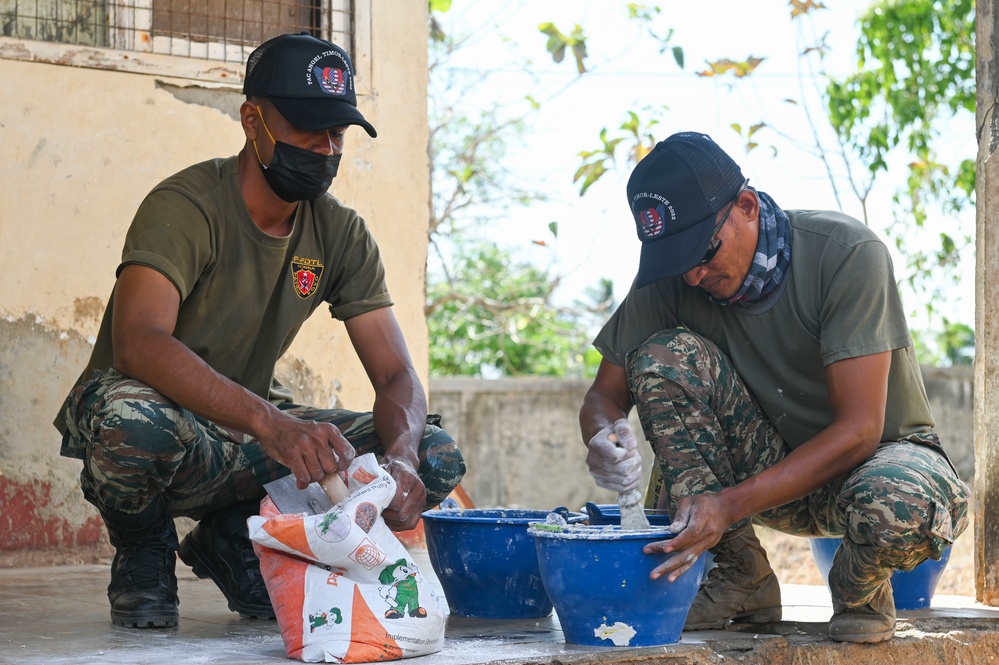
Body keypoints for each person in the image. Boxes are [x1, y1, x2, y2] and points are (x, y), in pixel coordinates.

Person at [53, 32, 465, 629]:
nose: (324, 149)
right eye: (307, 128)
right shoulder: (186, 205)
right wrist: (273, 426)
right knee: (133, 422)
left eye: (337, 134)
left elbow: (397, 373)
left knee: (433, 449)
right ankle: (143, 548)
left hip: (240, 436)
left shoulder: (341, 234)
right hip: (155, 418)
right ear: (253, 120)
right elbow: (139, 341)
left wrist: (400, 459)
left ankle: (232, 534)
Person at [580, 131, 969, 643]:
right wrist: (603, 438)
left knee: (900, 500)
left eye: (703, 251)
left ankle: (859, 589)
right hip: (757, 472)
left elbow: (860, 431)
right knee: (662, 357)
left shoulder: (847, 254)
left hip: (871, 466)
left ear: (745, 207)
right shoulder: (676, 277)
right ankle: (741, 577)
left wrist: (730, 504)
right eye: (677, 261)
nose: (693, 276)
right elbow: (602, 396)